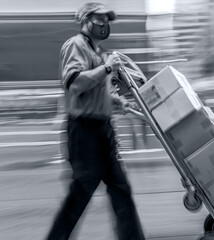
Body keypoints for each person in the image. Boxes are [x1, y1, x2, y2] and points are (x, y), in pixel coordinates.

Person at [46, 2, 145, 240]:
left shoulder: (97, 52)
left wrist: (115, 101)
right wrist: (107, 69)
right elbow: (76, 84)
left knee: (121, 191)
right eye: (99, 19)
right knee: (80, 195)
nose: (104, 24)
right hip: (85, 133)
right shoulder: (75, 45)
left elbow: (94, 91)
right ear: (85, 20)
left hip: (102, 132)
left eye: (107, 20)